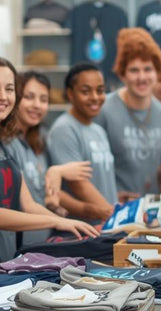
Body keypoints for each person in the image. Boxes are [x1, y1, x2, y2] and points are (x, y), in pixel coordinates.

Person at [0, 56, 98, 261]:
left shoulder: (7, 143)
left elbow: (28, 204)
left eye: (9, 89)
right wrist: (56, 222)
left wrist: (68, 223)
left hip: (8, 256)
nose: (2, 96)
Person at [6, 70, 94, 245]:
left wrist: (53, 204)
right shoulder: (7, 143)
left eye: (43, 100)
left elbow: (40, 195)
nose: (37, 105)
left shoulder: (39, 142)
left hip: (44, 241)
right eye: (29, 97)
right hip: (20, 246)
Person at [95, 28, 161, 199]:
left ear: (157, 73)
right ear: (123, 75)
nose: (142, 77)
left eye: (148, 69)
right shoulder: (103, 111)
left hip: (153, 211)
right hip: (113, 210)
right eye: (134, 70)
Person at [47, 62, 119, 223]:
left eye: (100, 90)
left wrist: (116, 205)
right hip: (83, 230)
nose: (95, 97)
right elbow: (78, 184)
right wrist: (115, 217)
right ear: (70, 94)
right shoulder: (64, 129)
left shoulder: (98, 130)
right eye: (86, 91)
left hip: (105, 225)